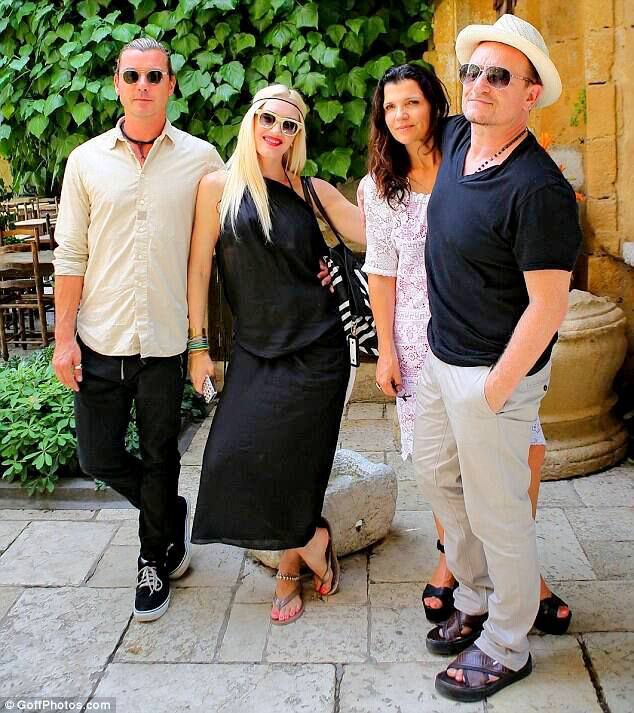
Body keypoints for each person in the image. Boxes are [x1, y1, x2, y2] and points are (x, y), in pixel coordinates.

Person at [363, 63, 571, 634]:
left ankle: (517, 592)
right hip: (423, 340)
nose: (401, 115)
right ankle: (460, 572)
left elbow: (545, 295)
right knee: (440, 470)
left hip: (489, 345)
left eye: (412, 102)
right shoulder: (388, 182)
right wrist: (387, 349)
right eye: (389, 107)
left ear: (437, 104)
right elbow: (380, 267)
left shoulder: (477, 160)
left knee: (510, 470)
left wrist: (500, 383)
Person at [412, 15, 582, 701]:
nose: (479, 84)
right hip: (440, 358)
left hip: (490, 376)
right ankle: (477, 598)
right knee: (439, 483)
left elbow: (548, 305)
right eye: (472, 71)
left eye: (500, 76)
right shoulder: (458, 137)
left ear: (531, 94)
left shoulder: (539, 190)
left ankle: (509, 642)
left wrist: (495, 389)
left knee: (499, 512)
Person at [52, 37, 224, 623]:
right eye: (133, 76)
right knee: (97, 456)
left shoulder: (202, 160)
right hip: (101, 336)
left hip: (165, 341)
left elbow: (222, 244)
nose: (143, 86)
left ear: (171, 84)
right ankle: (168, 513)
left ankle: (153, 560)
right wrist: (64, 338)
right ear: (117, 84)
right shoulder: (86, 161)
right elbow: (70, 255)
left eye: (155, 76)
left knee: (159, 456)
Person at [186, 84, 365, 625]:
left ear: (298, 135)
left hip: (319, 347)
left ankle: (291, 569)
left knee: (298, 464)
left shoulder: (312, 191)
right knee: (229, 456)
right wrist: (198, 347)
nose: (277, 131)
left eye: (290, 125)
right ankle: (314, 539)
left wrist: (402, 172)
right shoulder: (217, 187)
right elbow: (199, 269)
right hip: (256, 348)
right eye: (269, 118)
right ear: (252, 120)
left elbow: (376, 235)